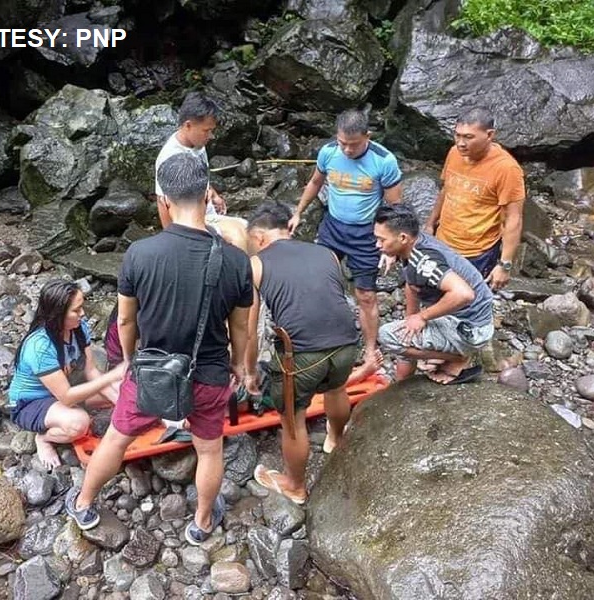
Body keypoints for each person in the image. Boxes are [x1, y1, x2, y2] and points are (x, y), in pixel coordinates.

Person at [66, 153, 252, 543]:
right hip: (209, 372)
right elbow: (240, 327)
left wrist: (130, 358)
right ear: (207, 194)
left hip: (151, 372)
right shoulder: (236, 262)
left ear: (164, 200)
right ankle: (201, 523)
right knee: (209, 449)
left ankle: (83, 504)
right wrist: (239, 366)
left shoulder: (140, 254)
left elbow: (125, 320)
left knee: (117, 437)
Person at [245, 201, 360, 504]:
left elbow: (249, 327)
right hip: (348, 344)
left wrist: (249, 371)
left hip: (303, 356)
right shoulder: (327, 254)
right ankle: (335, 439)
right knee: (336, 388)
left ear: (258, 238)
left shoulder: (256, 264)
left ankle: (294, 485)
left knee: (293, 420)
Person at [288, 109, 402, 382]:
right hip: (333, 226)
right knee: (319, 281)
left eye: (354, 144)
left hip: (366, 233)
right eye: (343, 143)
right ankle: (319, 339)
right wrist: (298, 212)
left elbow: (396, 207)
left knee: (366, 295)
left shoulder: (383, 160)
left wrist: (390, 248)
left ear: (367, 136)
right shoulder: (328, 152)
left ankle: (371, 348)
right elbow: (316, 182)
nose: (348, 150)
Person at [8, 280, 125, 469]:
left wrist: (121, 402)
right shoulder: (40, 346)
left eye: (82, 307)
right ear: (58, 314)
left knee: (125, 390)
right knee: (79, 424)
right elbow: (67, 398)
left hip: (68, 388)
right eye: (76, 310)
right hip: (31, 402)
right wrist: (111, 377)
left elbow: (91, 371)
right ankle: (44, 439)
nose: (83, 313)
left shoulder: (78, 328)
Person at [375, 205, 494, 384]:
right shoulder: (415, 245)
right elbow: (412, 286)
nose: (377, 245)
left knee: (387, 335)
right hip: (468, 317)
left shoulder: (424, 260)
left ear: (402, 238)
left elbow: (464, 294)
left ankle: (459, 358)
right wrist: (410, 321)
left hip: (472, 327)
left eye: (382, 240)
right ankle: (404, 382)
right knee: (405, 330)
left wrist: (422, 317)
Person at [424, 107, 525, 290]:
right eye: (457, 135)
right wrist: (430, 223)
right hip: (442, 242)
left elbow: (513, 218)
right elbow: (446, 190)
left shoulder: (506, 168)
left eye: (469, 137)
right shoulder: (454, 153)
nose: (461, 143)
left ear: (489, 135)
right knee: (433, 297)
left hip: (476, 252)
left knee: (467, 307)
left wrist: (504, 265)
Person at [155, 91, 248, 250]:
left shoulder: (197, 144)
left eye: (211, 130)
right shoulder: (170, 157)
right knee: (240, 235)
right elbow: (162, 202)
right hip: (193, 225)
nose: (211, 136)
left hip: (208, 212)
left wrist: (214, 194)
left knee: (248, 229)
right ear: (188, 125)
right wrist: (172, 244)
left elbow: (199, 177)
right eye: (206, 130)